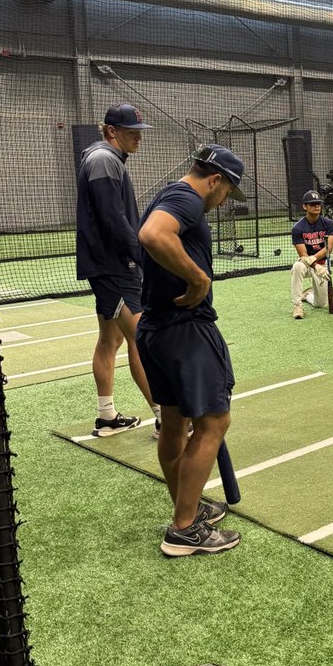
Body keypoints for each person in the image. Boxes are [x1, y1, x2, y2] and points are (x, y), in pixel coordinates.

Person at [136, 144, 245, 556]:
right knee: (215, 423)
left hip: (156, 327)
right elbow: (151, 236)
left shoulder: (166, 194)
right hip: (184, 329)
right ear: (214, 180)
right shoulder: (186, 198)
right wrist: (198, 279)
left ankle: (188, 507)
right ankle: (183, 528)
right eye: (226, 193)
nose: (222, 203)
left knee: (175, 423)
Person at [75, 101, 159, 438]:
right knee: (141, 340)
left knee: (110, 340)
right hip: (114, 266)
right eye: (132, 132)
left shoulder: (105, 159)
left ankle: (106, 417)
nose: (139, 138)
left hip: (106, 265)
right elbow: (113, 220)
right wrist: (141, 255)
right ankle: (165, 417)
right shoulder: (104, 160)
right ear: (112, 131)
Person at [290, 189, 333, 319]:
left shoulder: (328, 223)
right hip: (306, 264)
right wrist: (315, 265)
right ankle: (297, 306)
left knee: (320, 304)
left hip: (322, 264)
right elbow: (303, 255)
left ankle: (307, 295)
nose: (316, 206)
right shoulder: (297, 228)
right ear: (305, 206)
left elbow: (329, 248)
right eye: (312, 204)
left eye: (318, 204)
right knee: (297, 267)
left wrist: (316, 261)